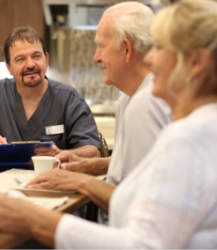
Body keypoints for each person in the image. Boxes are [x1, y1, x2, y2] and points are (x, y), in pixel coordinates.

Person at [0, 0, 217, 248]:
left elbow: (142, 244)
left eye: (160, 48)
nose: (151, 57)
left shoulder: (188, 137)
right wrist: (87, 168)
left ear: (196, 63)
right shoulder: (200, 127)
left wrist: (35, 219)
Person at [28, 1, 172, 224]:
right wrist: (85, 166)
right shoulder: (129, 100)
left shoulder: (145, 105)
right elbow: (138, 166)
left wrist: (77, 181)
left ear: (126, 49)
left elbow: (140, 207)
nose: (96, 57)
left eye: (101, 47)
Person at [0, 26, 100, 162]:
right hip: (1, 186)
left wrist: (59, 154)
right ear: (9, 67)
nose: (30, 64)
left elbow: (93, 151)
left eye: (36, 56)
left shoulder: (69, 98)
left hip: (52, 184)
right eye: (20, 59)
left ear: (46, 60)